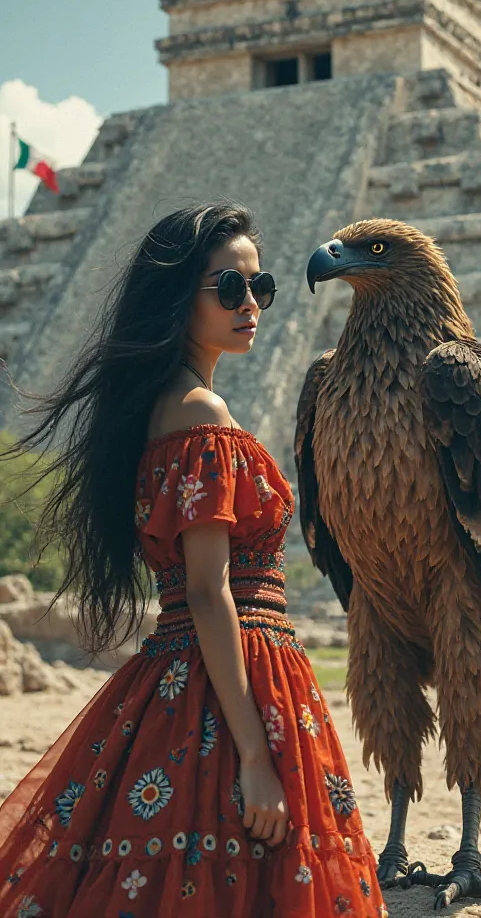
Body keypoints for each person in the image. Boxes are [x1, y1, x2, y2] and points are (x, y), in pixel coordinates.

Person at [0, 203, 387, 918]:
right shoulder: (201, 415)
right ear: (179, 296)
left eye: (260, 287)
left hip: (188, 678)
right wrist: (252, 754)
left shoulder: (162, 408)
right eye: (229, 289)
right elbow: (209, 594)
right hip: (232, 680)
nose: (252, 306)